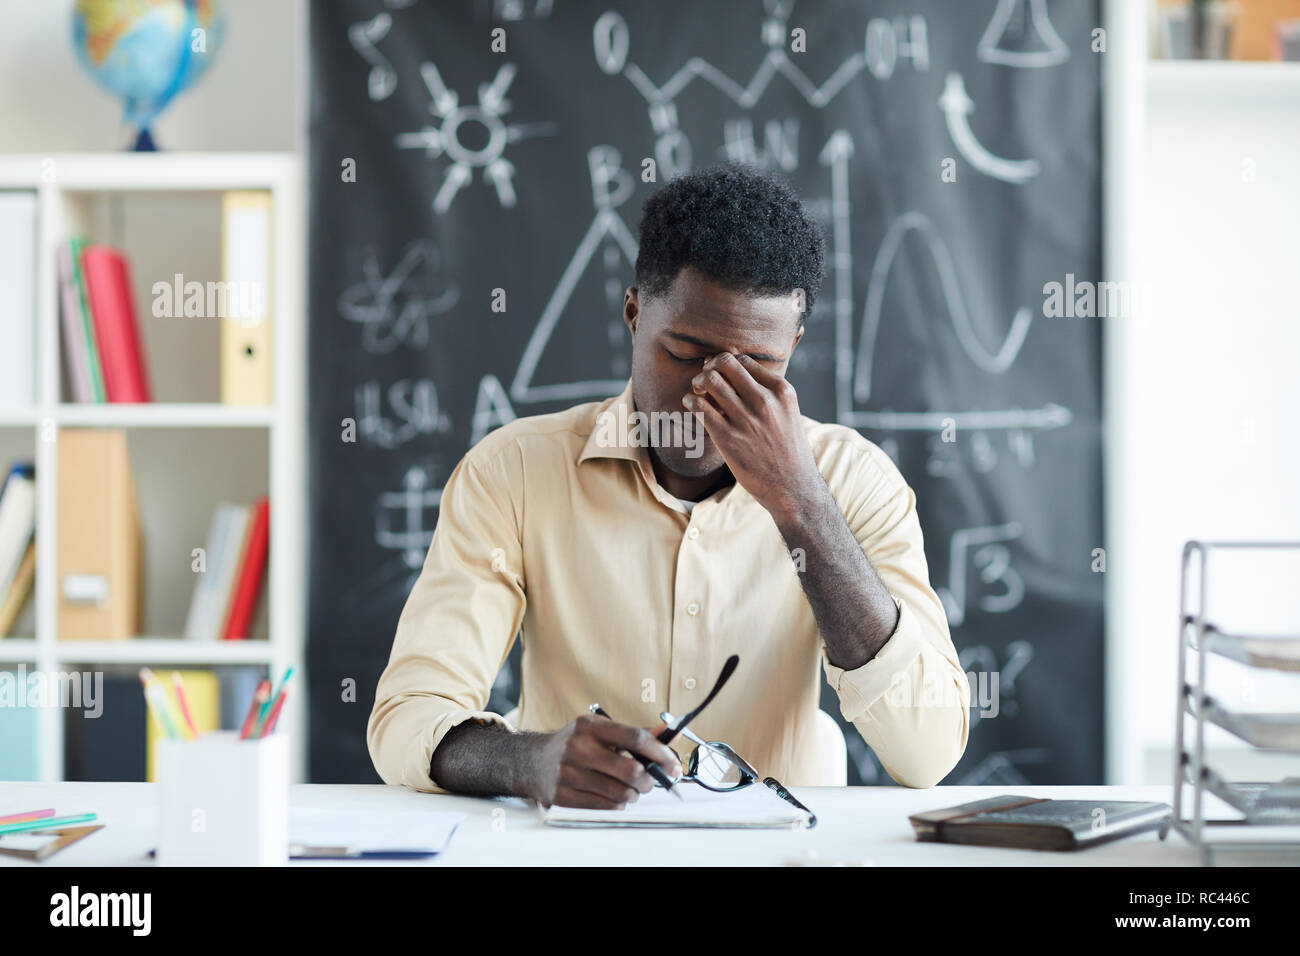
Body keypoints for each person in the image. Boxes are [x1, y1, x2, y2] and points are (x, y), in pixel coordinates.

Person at [368, 164, 970, 808]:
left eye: (759, 366)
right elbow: (407, 719)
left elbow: (927, 751)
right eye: (684, 355)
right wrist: (529, 759)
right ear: (633, 314)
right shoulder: (513, 472)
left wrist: (801, 502)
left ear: (794, 345)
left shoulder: (856, 482)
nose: (711, 393)